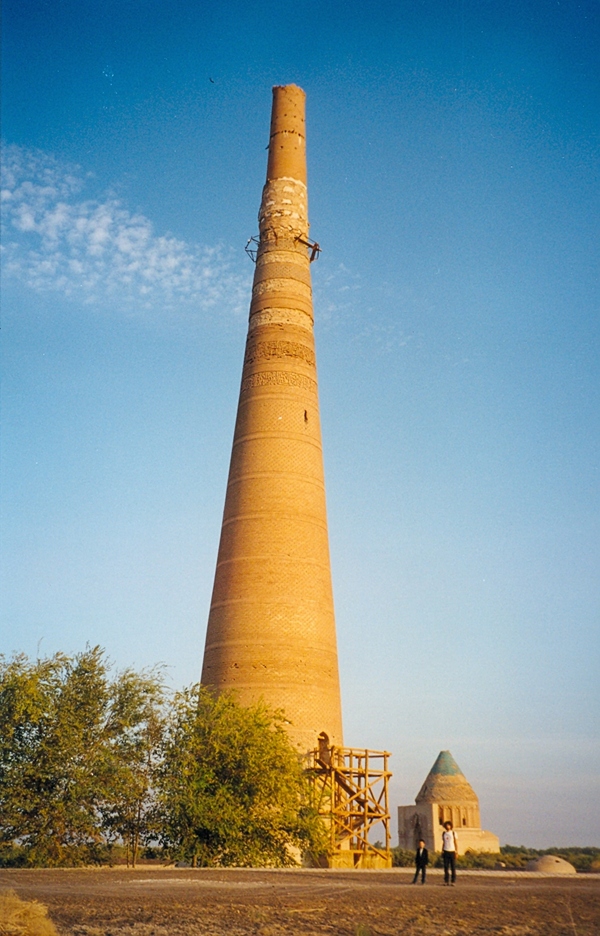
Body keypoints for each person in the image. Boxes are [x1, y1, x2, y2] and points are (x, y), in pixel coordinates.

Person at [441, 821, 458, 885]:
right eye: (446, 825)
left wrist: (456, 852)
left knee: (453, 867)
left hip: (452, 851)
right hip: (446, 851)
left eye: (449, 825)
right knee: (446, 867)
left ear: (451, 826)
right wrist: (442, 850)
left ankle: (453, 881)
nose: (448, 826)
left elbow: (455, 842)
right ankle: (446, 881)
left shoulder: (453, 833)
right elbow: (443, 843)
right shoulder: (444, 834)